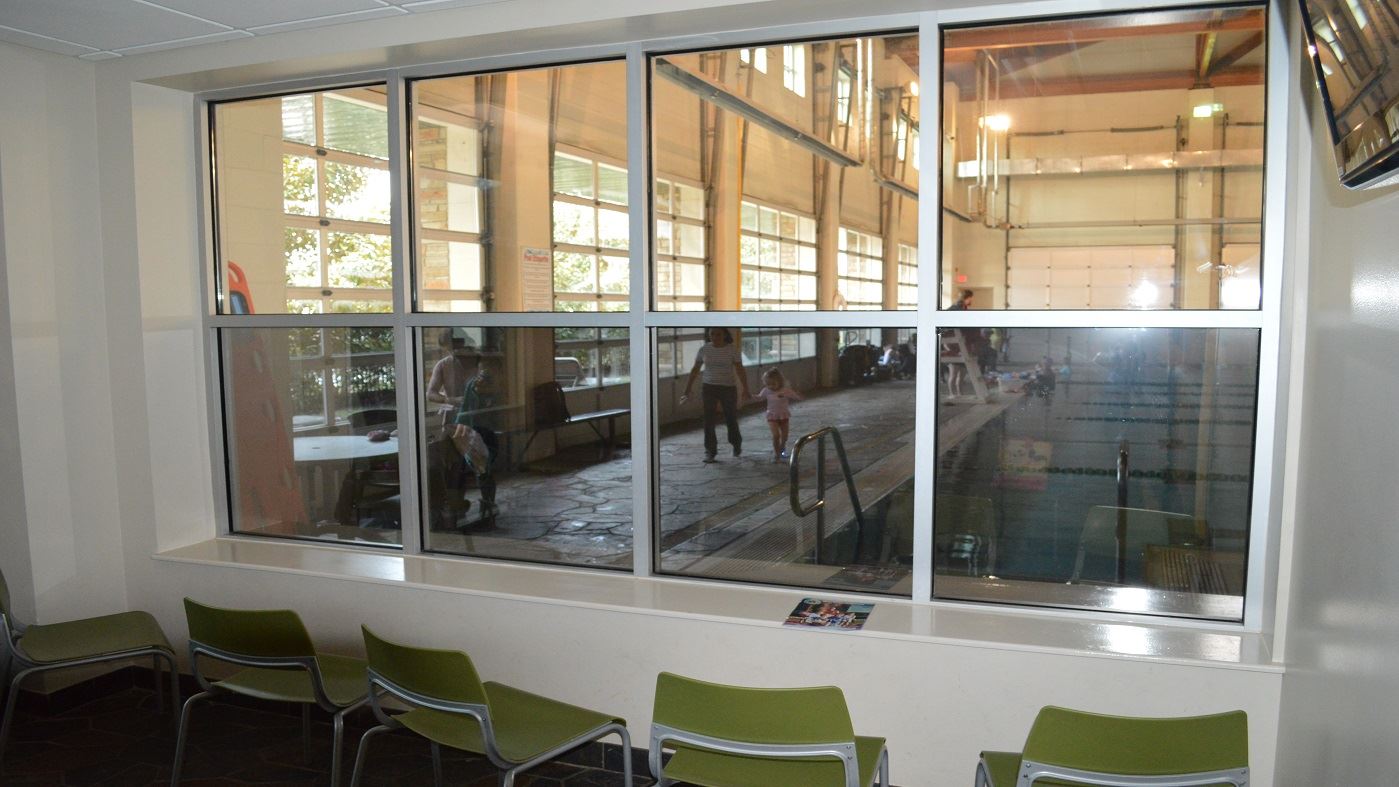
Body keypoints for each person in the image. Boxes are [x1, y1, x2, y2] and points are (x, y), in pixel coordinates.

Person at [680, 327, 749, 463]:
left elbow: (740, 369)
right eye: (712, 334)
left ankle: (736, 443)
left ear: (724, 335)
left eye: (718, 334)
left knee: (730, 418)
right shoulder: (704, 349)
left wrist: (745, 388)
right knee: (709, 420)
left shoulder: (731, 349)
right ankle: (710, 451)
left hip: (728, 388)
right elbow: (695, 369)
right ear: (709, 335)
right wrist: (687, 389)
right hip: (709, 387)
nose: (715, 337)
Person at [453, 356, 503, 520]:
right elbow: (464, 409)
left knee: (484, 469)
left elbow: (498, 412)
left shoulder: (500, 388)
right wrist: (458, 429)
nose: (484, 374)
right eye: (482, 370)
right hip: (472, 432)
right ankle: (458, 506)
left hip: (490, 433)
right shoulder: (472, 385)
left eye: (489, 371)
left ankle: (488, 504)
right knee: (462, 468)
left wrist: (488, 391)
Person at [753, 367, 803, 462]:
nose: (771, 386)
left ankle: (782, 447)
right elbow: (759, 397)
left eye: (773, 384)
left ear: (780, 381)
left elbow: (796, 396)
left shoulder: (785, 390)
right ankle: (776, 455)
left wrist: (800, 396)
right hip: (772, 415)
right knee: (776, 435)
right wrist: (750, 396)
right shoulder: (766, 390)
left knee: (785, 436)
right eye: (768, 384)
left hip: (784, 415)